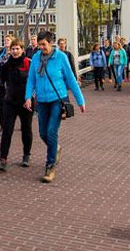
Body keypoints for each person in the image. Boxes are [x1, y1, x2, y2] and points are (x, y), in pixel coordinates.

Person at [25, 31, 85, 183]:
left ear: (51, 43)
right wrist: (28, 97)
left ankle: (50, 166)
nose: (41, 47)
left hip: (57, 99)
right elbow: (31, 79)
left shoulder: (61, 58)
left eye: (43, 44)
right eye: (39, 45)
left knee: (51, 131)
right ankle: (55, 148)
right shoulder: (36, 58)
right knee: (43, 133)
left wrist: (80, 101)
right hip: (42, 100)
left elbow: (71, 79)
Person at [0, 39, 33, 171]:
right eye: (13, 49)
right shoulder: (6, 65)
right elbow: (2, 80)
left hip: (25, 102)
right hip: (10, 102)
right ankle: (2, 158)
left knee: (26, 129)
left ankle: (26, 155)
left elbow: (34, 81)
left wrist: (31, 97)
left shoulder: (28, 63)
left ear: (22, 50)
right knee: (7, 129)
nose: (15, 51)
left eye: (17, 49)